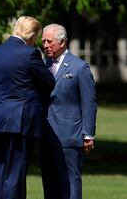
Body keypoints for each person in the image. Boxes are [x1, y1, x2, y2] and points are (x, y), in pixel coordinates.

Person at [0, 16, 55, 199]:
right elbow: (49, 81)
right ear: (31, 35)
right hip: (20, 120)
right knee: (15, 174)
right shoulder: (30, 53)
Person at [40, 23, 97, 199]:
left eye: (50, 42)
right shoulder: (42, 65)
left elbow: (89, 103)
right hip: (45, 135)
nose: (46, 45)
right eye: (43, 41)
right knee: (49, 182)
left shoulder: (80, 67)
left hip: (70, 136)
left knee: (71, 181)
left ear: (62, 42)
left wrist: (88, 135)